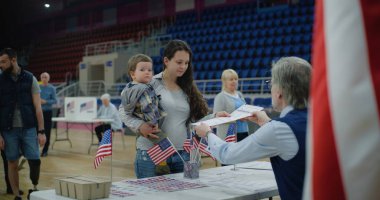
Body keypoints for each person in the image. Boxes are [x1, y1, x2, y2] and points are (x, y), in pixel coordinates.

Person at [195, 57, 311, 200]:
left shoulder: (278, 129)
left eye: (271, 84)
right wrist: (268, 122)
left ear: (279, 91)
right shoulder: (320, 119)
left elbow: (227, 154)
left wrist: (207, 133)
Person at [119, 40, 209, 178]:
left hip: (184, 155)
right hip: (151, 155)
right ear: (166, 61)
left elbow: (195, 121)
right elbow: (123, 111)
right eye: (179, 62)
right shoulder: (149, 84)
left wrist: (216, 116)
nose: (183, 67)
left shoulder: (188, 87)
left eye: (186, 63)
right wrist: (140, 125)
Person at [0, 48, 46, 200]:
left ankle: (34, 188)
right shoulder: (0, 79)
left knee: (35, 159)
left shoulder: (30, 78)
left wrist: (41, 131)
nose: (1, 65)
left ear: (13, 60)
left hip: (29, 127)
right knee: (12, 161)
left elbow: (38, 107)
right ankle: (16, 195)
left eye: (3, 61)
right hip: (8, 130)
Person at [120, 54, 167, 144]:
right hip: (151, 126)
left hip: (147, 125)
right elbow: (148, 107)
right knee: (165, 147)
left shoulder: (129, 88)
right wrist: (153, 122)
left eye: (149, 70)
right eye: (142, 70)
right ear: (133, 74)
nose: (147, 72)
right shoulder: (142, 89)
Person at [213, 69, 249, 142]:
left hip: (244, 131)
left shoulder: (240, 94)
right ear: (225, 81)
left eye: (236, 79)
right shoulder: (220, 97)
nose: (234, 81)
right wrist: (237, 118)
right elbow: (216, 118)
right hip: (229, 134)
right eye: (231, 79)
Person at [39, 72, 57, 157]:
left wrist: (45, 101)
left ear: (48, 79)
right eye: (42, 77)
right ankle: (35, 149)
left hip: (47, 112)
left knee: (47, 131)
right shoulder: (38, 87)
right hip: (38, 112)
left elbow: (54, 100)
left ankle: (45, 150)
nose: (44, 78)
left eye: (45, 77)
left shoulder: (52, 88)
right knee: (36, 130)